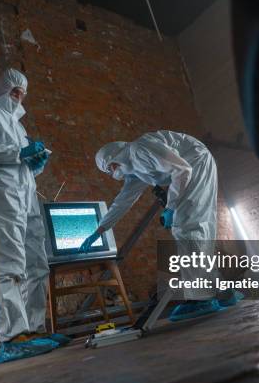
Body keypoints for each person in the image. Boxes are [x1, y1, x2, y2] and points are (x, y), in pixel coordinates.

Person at [79, 130, 242, 321]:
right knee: (188, 229)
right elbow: (122, 202)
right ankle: (223, 293)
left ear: (112, 160)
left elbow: (182, 169)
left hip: (196, 162)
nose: (112, 174)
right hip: (194, 165)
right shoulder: (134, 170)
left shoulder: (140, 149)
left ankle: (202, 298)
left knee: (187, 228)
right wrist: (99, 231)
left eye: (109, 169)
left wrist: (171, 207)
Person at [0, 68, 66, 363]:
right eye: (14, 91)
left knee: (37, 262)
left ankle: (35, 330)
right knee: (9, 262)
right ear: (2, 88)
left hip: (27, 193)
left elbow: (24, 159)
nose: (18, 97)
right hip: (3, 192)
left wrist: (35, 162)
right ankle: (13, 336)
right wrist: (19, 153)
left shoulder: (18, 125)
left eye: (22, 93)